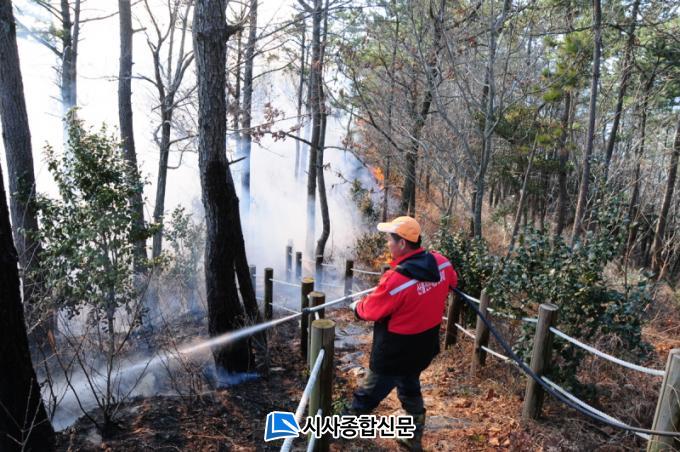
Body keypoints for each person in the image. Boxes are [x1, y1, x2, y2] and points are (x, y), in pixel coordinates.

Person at [346, 216, 458, 451]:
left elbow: (370, 310)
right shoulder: (442, 264)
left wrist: (356, 306)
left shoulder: (397, 280)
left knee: (366, 397)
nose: (387, 243)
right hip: (423, 348)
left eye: (390, 239)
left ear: (403, 243)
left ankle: (334, 436)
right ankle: (412, 439)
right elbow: (452, 282)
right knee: (409, 385)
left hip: (394, 354)